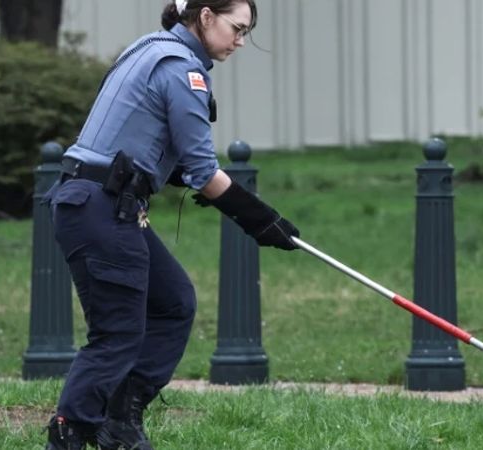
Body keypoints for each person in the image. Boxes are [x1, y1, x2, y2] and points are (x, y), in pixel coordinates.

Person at [44, 1, 300, 448]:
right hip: (100, 207)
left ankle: (120, 420)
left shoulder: (148, 48)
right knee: (117, 334)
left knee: (172, 302)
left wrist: (169, 173)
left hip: (100, 202)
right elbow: (203, 170)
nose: (241, 40)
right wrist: (263, 221)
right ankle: (70, 431)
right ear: (205, 16)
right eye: (236, 28)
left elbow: (142, 139)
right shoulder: (184, 70)